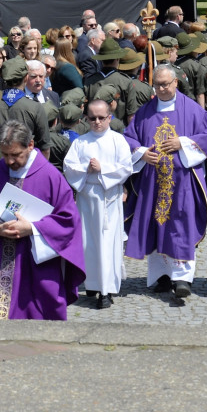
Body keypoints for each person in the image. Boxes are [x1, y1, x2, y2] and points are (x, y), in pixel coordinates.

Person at [0, 120, 86, 319]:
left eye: (16, 155)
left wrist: (32, 228)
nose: (10, 161)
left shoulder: (51, 177)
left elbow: (69, 221)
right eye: (5, 155)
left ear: (30, 145)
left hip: (34, 261)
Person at [123, 64, 207, 299]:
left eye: (166, 84)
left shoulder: (194, 111)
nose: (162, 89)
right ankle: (162, 276)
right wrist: (142, 153)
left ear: (176, 82)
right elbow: (128, 138)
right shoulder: (145, 112)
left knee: (180, 225)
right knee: (157, 223)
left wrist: (182, 143)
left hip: (182, 181)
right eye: (158, 84)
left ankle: (183, 278)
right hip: (152, 181)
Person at [63, 99, 133, 308]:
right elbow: (69, 167)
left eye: (101, 118)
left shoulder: (118, 140)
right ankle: (92, 283)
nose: (97, 122)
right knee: (88, 243)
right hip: (87, 198)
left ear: (109, 117)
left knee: (107, 243)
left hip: (109, 198)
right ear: (86, 118)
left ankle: (107, 289)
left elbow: (126, 167)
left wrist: (102, 169)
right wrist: (87, 168)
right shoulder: (80, 142)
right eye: (92, 118)